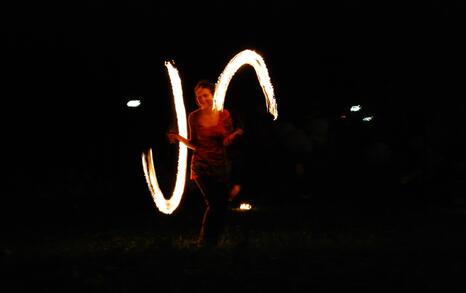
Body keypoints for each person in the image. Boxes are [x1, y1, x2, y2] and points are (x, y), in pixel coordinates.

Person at [167, 80, 244, 246]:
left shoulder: (225, 114)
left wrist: (235, 135)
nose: (202, 99)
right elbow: (194, 143)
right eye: (198, 97)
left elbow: (226, 140)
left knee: (221, 205)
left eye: (205, 95)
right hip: (201, 166)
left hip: (220, 166)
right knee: (214, 203)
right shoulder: (193, 117)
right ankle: (205, 241)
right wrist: (178, 138)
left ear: (213, 95)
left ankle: (212, 240)